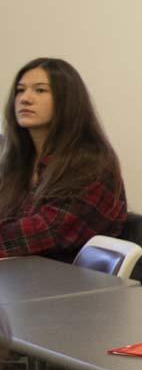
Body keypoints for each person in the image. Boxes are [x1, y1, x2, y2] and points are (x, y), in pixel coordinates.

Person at [0, 58, 127, 262]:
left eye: (40, 90)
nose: (25, 99)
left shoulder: (91, 164)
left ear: (67, 100)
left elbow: (48, 231)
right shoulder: (18, 162)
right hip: (24, 280)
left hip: (71, 287)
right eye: (20, 90)